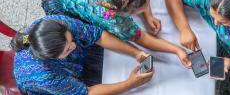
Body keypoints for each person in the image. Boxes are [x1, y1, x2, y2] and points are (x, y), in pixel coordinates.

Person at [41, 0, 191, 67]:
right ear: (123, 13)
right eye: (140, 10)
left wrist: (148, 15)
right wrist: (176, 50)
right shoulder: (109, 16)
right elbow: (139, 37)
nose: (146, 8)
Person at [12, 15, 154, 94]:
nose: (74, 45)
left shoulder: (56, 24)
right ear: (54, 58)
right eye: (67, 49)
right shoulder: (46, 76)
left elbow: (97, 35)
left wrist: (136, 53)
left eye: (71, 39)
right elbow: (87, 93)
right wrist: (130, 83)